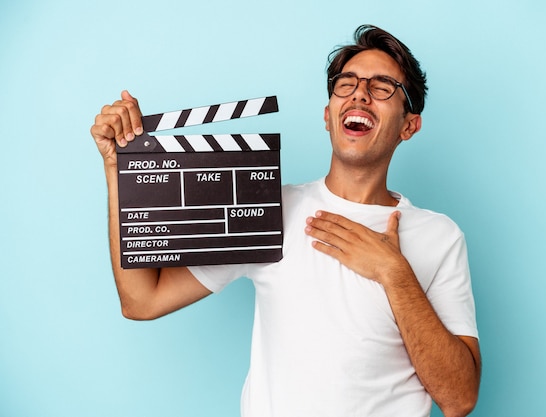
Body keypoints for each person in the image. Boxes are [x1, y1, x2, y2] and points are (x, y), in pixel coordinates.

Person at [90, 24, 481, 417]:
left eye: (382, 87)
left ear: (409, 125)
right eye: (347, 83)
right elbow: (142, 300)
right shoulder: (267, 211)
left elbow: (460, 399)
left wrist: (394, 273)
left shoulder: (439, 237)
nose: (360, 92)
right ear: (328, 117)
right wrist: (116, 168)